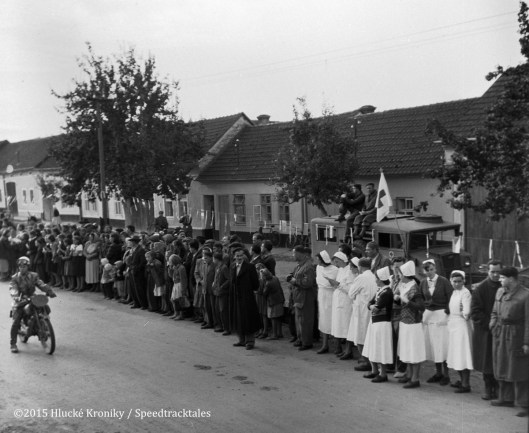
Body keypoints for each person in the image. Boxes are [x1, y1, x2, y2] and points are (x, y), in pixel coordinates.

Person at [490, 266, 529, 417]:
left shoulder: (525, 295)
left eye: (502, 277)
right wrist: (492, 324)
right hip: (500, 334)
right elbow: (494, 311)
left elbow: (528, 321)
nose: (499, 280)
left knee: (519, 369)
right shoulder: (500, 291)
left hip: (516, 335)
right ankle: (506, 398)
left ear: (511, 279)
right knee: (501, 365)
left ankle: (524, 403)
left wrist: (526, 342)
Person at [9, 256, 57, 353]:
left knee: (45, 307)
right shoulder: (15, 278)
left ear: (28, 267)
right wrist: (16, 296)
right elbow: (13, 288)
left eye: (24, 266)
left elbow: (41, 284)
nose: (22, 268)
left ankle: (44, 326)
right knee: (16, 320)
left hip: (32, 297)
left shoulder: (34, 275)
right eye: (20, 266)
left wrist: (49, 291)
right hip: (21, 299)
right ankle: (13, 344)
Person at [471, 260, 503, 400]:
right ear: (487, 272)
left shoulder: (505, 285)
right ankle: (488, 387)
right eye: (492, 272)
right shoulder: (480, 288)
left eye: (498, 272)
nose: (496, 275)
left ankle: (498, 387)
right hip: (486, 331)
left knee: (500, 360)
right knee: (487, 361)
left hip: (502, 331)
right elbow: (475, 312)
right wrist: (490, 324)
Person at [421, 259, 453, 386]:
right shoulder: (423, 282)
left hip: (441, 315)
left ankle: (446, 375)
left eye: (432, 269)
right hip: (429, 316)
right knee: (433, 345)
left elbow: (451, 297)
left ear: (435, 269)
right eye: (427, 270)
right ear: (424, 271)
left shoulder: (443, 281)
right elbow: (421, 298)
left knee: (442, 345)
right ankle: (438, 373)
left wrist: (447, 314)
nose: (430, 272)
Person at [395, 260, 426, 389]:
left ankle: (415, 379)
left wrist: (406, 301)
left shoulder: (414, 287)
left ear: (405, 274)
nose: (399, 275)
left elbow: (421, 306)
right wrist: (397, 299)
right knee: (407, 350)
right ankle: (409, 375)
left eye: (400, 273)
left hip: (413, 323)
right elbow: (400, 301)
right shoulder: (404, 285)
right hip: (405, 321)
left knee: (414, 351)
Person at [362, 266, 394, 383]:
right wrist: (372, 306)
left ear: (380, 279)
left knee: (381, 347)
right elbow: (371, 304)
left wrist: (371, 306)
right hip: (375, 322)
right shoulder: (380, 290)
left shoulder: (386, 292)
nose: (375, 279)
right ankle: (374, 370)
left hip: (382, 324)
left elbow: (375, 308)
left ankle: (383, 373)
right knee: (372, 346)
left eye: (376, 278)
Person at [446, 270, 473, 393]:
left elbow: (467, 312)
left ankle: (466, 384)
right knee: (456, 354)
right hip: (453, 325)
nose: (457, 284)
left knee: (462, 354)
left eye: (459, 281)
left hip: (461, 326)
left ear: (463, 281)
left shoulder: (465, 293)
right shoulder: (454, 292)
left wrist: (461, 314)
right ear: (451, 281)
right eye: (454, 281)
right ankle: (462, 380)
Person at [348, 257, 378, 369]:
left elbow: (351, 294)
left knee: (360, 336)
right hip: (371, 309)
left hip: (361, 310)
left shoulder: (361, 277)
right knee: (368, 336)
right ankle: (370, 361)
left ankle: (366, 362)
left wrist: (356, 295)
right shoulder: (374, 276)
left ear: (360, 267)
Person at [230, 248, 260, 350]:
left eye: (240, 255)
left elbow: (255, 283)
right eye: (237, 256)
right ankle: (241, 340)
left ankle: (250, 341)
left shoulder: (250, 267)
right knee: (239, 318)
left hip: (247, 297)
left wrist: (248, 289)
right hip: (237, 296)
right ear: (234, 256)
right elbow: (232, 281)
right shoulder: (233, 266)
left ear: (244, 256)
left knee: (248, 319)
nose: (239, 258)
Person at [288, 246, 318, 351]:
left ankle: (307, 342)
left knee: (306, 321)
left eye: (294, 253)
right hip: (299, 297)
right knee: (299, 321)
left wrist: (295, 281)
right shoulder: (300, 265)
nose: (293, 255)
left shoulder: (308, 267)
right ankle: (301, 339)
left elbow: (308, 283)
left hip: (306, 298)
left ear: (300, 254)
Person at [330, 251, 356, 356]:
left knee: (346, 327)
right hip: (338, 302)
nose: (336, 264)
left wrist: (338, 285)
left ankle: (348, 350)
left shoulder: (349, 271)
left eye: (337, 261)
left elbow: (350, 289)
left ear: (341, 260)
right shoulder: (340, 270)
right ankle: (340, 349)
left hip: (346, 303)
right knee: (338, 325)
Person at [315, 251, 338, 354]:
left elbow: (337, 284)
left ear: (322, 260)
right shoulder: (318, 268)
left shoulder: (335, 270)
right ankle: (325, 345)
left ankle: (337, 346)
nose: (317, 261)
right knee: (323, 320)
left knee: (333, 320)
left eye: (318, 259)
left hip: (331, 296)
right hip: (321, 295)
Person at [261, 267, 285, 340]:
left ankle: (274, 335)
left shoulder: (268, 283)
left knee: (273, 317)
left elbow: (264, 293)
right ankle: (279, 333)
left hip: (272, 301)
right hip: (280, 299)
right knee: (279, 317)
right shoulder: (275, 278)